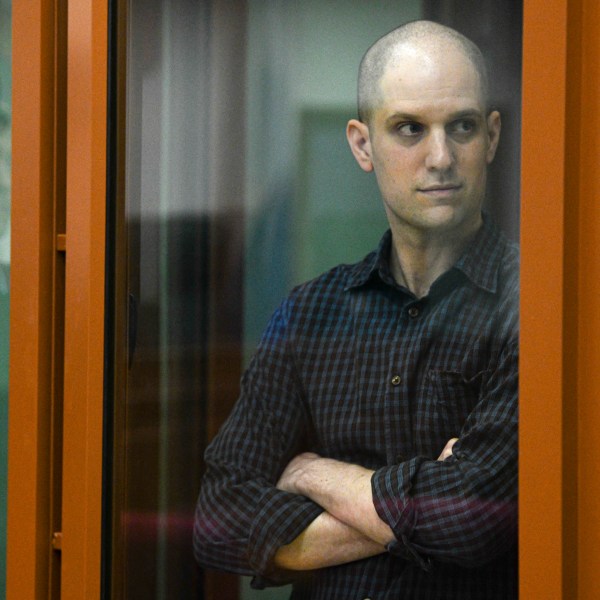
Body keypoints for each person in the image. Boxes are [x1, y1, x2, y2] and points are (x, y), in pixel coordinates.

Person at [194, 19, 518, 600]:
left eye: (462, 127)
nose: (440, 156)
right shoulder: (310, 313)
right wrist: (428, 501)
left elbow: (474, 520)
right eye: (410, 128)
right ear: (363, 144)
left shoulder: (540, 304)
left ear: (492, 137)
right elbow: (219, 520)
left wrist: (314, 475)